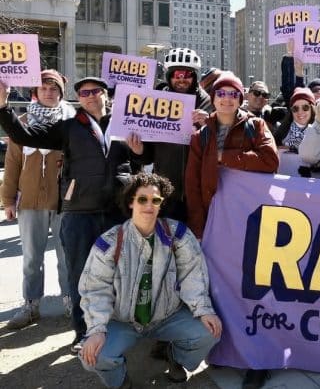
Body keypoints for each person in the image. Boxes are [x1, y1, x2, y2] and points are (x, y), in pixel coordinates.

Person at [0, 77, 144, 353]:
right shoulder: (68, 127)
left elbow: (140, 160)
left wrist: (139, 152)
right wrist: (3, 106)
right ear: (79, 98)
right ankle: (83, 333)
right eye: (84, 93)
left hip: (117, 211)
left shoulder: (125, 124)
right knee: (80, 275)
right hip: (79, 212)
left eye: (95, 91)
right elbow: (23, 136)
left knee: (118, 274)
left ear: (105, 95)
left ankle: (115, 329)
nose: (90, 96)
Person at [78, 173, 221, 387]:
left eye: (155, 200)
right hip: (123, 322)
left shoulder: (178, 235)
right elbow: (94, 289)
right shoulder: (109, 242)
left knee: (209, 332)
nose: (149, 205)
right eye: (142, 199)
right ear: (131, 202)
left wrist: (203, 309)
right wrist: (97, 329)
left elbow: (194, 274)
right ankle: (120, 379)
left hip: (167, 316)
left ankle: (176, 357)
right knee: (93, 356)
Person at [2, 70, 75, 329]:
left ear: (61, 92)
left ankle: (70, 301)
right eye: (43, 87)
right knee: (32, 257)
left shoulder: (73, 122)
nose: (48, 92)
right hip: (30, 201)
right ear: (35, 92)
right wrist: (8, 200)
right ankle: (31, 304)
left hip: (65, 201)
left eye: (54, 88)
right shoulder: (19, 122)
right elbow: (12, 166)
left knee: (66, 255)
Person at [185, 72, 279, 240]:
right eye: (221, 93)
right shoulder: (200, 137)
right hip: (215, 216)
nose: (227, 99)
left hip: (250, 212)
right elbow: (193, 187)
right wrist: (199, 230)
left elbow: (270, 161)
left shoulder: (256, 126)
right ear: (213, 98)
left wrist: (224, 157)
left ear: (240, 99)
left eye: (233, 94)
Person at [141, 47, 213, 223]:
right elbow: (147, 155)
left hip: (197, 192)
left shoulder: (209, 103)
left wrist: (210, 123)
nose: (182, 79)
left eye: (187, 74)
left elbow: (221, 144)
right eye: (177, 74)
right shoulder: (155, 101)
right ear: (169, 76)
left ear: (195, 77)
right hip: (165, 192)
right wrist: (138, 150)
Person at [274, 87, 316, 177]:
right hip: (284, 183)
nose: (300, 112)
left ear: (312, 109)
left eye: (305, 107)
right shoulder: (281, 132)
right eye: (295, 108)